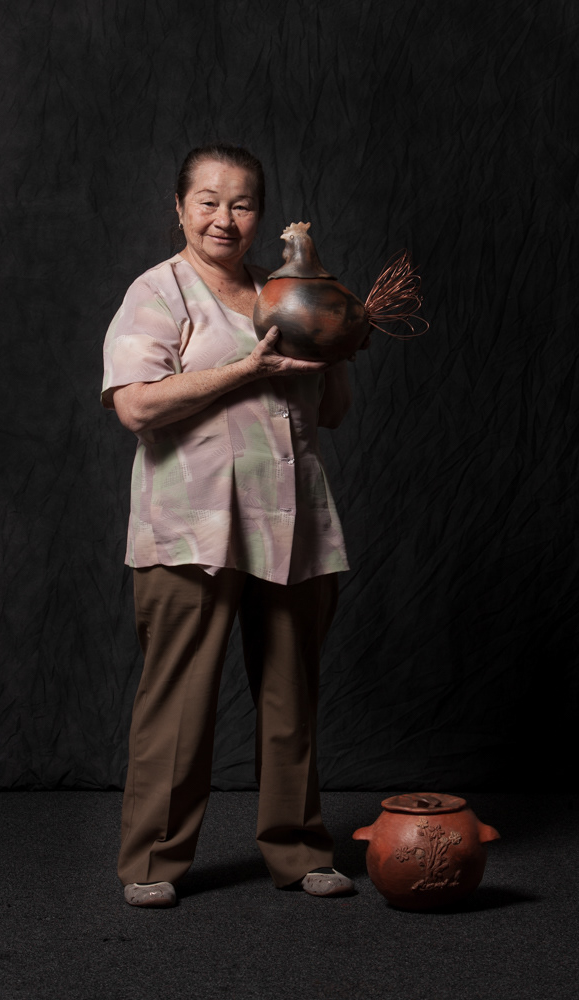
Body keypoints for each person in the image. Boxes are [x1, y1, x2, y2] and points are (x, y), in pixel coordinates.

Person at [101, 143, 359, 908]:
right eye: (208, 201)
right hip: (192, 526)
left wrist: (338, 346)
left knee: (290, 697)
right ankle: (152, 862)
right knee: (178, 701)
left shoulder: (286, 295)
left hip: (292, 521)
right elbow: (135, 406)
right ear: (180, 209)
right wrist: (247, 370)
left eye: (241, 203)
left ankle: (299, 851)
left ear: (260, 216)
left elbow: (332, 412)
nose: (224, 217)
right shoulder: (157, 291)